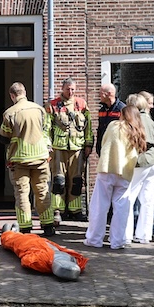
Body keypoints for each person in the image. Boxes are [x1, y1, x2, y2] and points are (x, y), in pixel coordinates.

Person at [0, 82, 55, 236]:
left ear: (12, 96)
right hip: (41, 157)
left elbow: (3, 138)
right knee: (42, 191)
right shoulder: (40, 110)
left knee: (22, 193)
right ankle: (48, 225)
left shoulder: (10, 113)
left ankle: (25, 228)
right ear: (25, 92)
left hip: (20, 159)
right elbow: (46, 130)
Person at [85, 103, 144, 249]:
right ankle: (118, 241)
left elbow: (105, 142)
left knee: (100, 205)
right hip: (125, 172)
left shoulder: (114, 126)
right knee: (121, 207)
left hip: (108, 167)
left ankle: (94, 239)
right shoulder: (137, 131)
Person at [46, 78, 92, 222]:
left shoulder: (82, 104)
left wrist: (88, 145)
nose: (70, 92)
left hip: (77, 148)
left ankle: (75, 210)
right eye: (68, 89)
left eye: (73, 89)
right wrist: (48, 146)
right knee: (58, 181)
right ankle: (57, 211)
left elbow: (88, 127)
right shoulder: (52, 105)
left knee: (77, 181)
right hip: (58, 148)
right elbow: (46, 128)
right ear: (62, 88)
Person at [127, 92, 154, 243]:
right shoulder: (151, 122)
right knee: (148, 200)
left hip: (138, 163)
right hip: (153, 162)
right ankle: (145, 235)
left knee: (128, 198)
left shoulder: (133, 121)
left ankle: (126, 235)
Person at [0, 222, 87, 280]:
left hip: (35, 247)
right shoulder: (77, 262)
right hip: (49, 246)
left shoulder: (41, 262)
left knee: (19, 242)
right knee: (31, 239)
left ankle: (8, 234)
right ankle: (15, 233)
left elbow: (27, 259)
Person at [94, 83, 125, 152]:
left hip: (117, 148)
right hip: (104, 147)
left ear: (108, 94)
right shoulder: (102, 110)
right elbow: (100, 129)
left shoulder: (122, 109)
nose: (99, 95)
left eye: (101, 93)